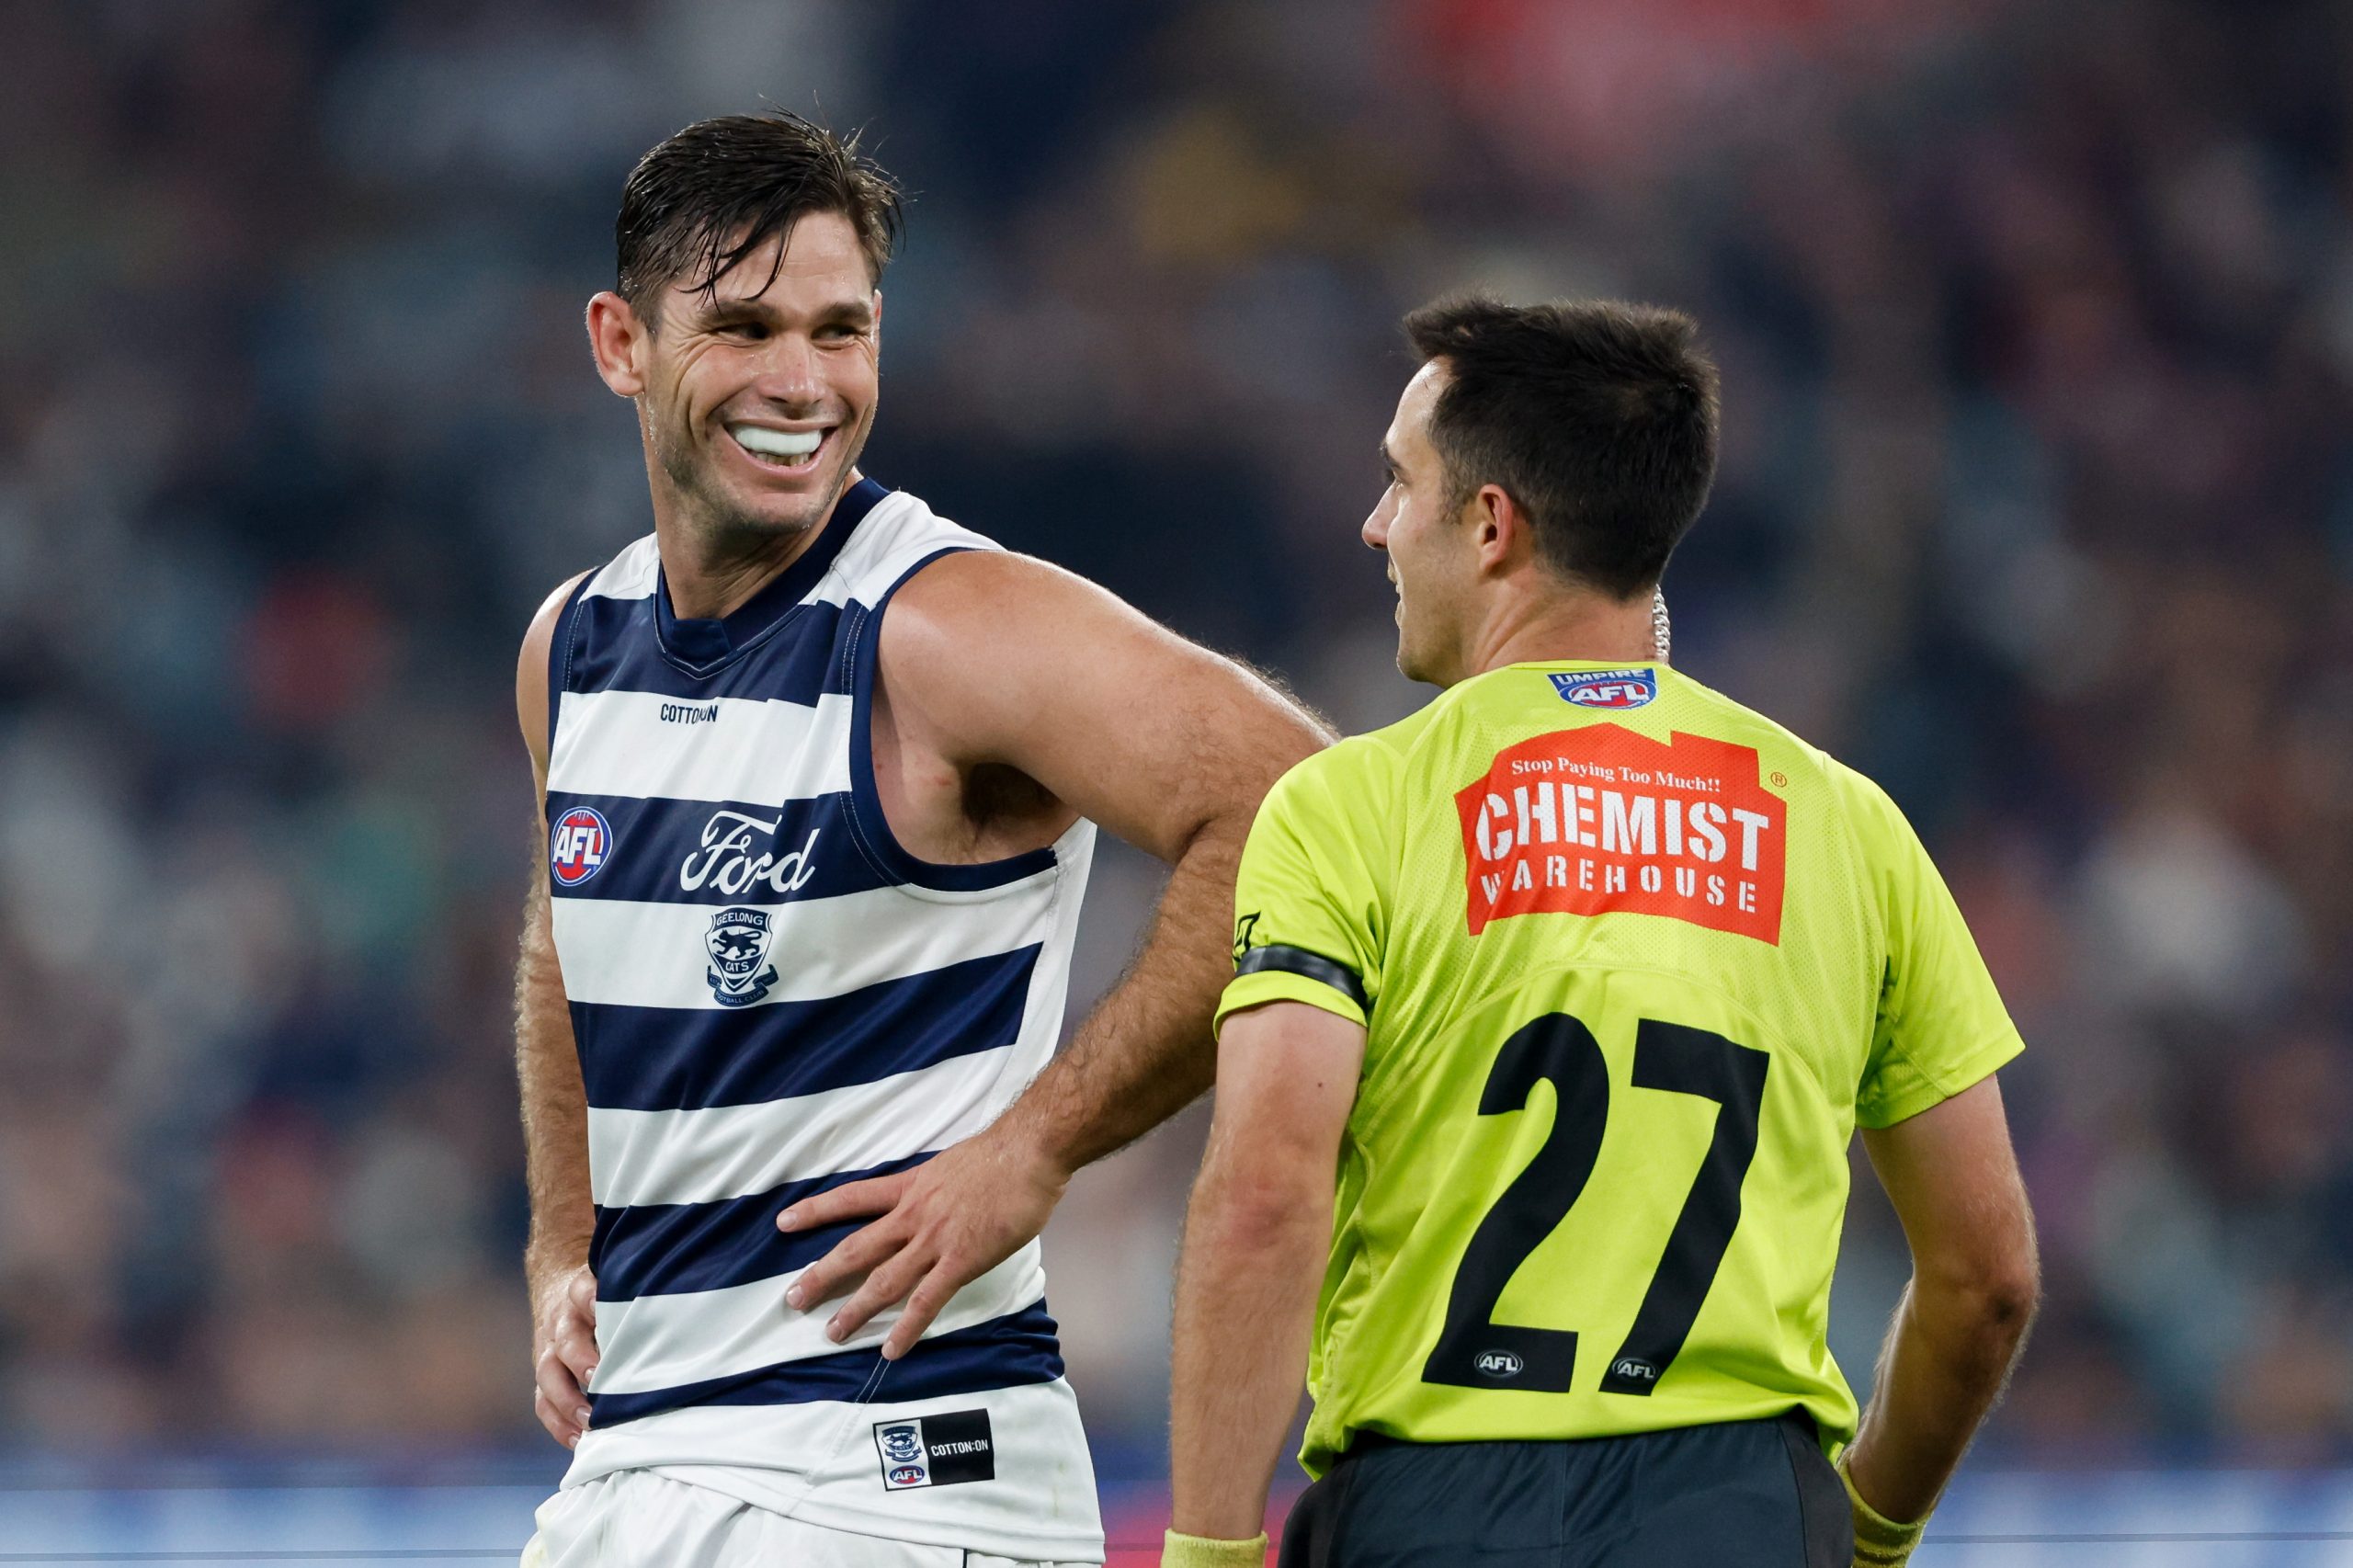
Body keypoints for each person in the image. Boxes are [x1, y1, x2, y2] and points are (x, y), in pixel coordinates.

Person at [512, 111, 1326, 1568]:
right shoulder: (574, 647)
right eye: (745, 327)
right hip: (637, 1467)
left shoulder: (945, 625)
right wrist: (563, 1236)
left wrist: (1041, 1144)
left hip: (894, 1482)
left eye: (840, 330)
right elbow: (568, 924)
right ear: (620, 344)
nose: (802, 382)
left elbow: (1299, 808)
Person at [1160, 297, 2040, 1568]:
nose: (1375, 525)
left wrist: (1207, 1550)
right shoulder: (1849, 826)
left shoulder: (1350, 808)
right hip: (1740, 1508)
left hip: (1433, 1512)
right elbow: (1988, 1276)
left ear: (1491, 523)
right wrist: (1869, 1530)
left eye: (1398, 483)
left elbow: (1262, 1195)